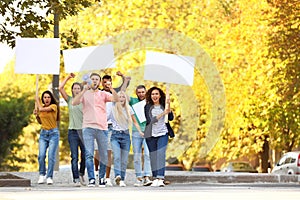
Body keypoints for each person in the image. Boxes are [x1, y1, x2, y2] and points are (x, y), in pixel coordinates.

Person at [72, 72, 118, 187]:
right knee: (88, 154)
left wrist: (111, 88)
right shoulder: (85, 93)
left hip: (102, 128)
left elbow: (116, 99)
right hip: (88, 128)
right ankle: (92, 179)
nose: (95, 81)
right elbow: (74, 102)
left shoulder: (103, 94)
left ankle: (101, 178)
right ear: (89, 81)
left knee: (103, 155)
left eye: (97, 79)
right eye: (93, 79)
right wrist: (83, 90)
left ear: (99, 81)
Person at [94, 72, 129, 187]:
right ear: (101, 83)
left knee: (108, 152)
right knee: (98, 152)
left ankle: (107, 177)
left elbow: (125, 85)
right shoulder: (98, 93)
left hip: (110, 126)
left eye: (108, 82)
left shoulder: (114, 93)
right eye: (104, 82)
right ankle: (97, 172)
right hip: (99, 125)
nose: (106, 84)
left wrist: (122, 77)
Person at [109, 91, 144, 187]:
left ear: (125, 99)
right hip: (115, 136)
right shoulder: (112, 109)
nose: (121, 99)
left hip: (125, 136)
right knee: (117, 157)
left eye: (123, 97)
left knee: (124, 160)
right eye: (119, 97)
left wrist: (140, 131)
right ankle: (118, 175)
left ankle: (122, 180)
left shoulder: (129, 109)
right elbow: (105, 119)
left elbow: (135, 122)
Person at [59, 73, 86, 186]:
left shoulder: (85, 100)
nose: (76, 90)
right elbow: (60, 88)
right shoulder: (69, 100)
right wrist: (68, 78)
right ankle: (76, 178)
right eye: (74, 88)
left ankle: (81, 173)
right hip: (73, 132)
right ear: (72, 90)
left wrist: (85, 83)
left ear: (81, 90)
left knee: (85, 155)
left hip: (84, 131)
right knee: (74, 156)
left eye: (78, 88)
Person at [144, 86, 174, 187]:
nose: (154, 96)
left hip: (163, 133)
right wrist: (163, 113)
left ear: (160, 95)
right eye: (153, 94)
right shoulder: (147, 106)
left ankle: (160, 177)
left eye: (156, 94)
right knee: (153, 156)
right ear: (150, 96)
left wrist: (169, 108)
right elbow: (150, 120)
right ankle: (155, 177)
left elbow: (170, 118)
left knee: (160, 154)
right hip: (151, 135)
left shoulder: (164, 106)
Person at [33, 90, 60, 185]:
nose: (46, 99)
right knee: (41, 155)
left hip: (53, 133)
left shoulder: (53, 107)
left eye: (48, 97)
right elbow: (41, 122)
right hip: (43, 133)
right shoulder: (41, 108)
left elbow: (42, 109)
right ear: (43, 99)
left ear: (51, 98)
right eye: (44, 97)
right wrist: (37, 116)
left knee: (51, 156)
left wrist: (37, 101)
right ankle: (42, 174)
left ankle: (49, 176)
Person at [129, 85, 152, 187]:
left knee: (147, 154)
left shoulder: (150, 102)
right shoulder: (133, 101)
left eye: (143, 92)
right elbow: (123, 96)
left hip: (148, 132)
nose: (141, 94)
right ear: (136, 93)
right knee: (137, 156)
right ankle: (139, 177)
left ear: (146, 92)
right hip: (136, 132)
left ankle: (147, 176)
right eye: (139, 92)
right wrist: (125, 80)